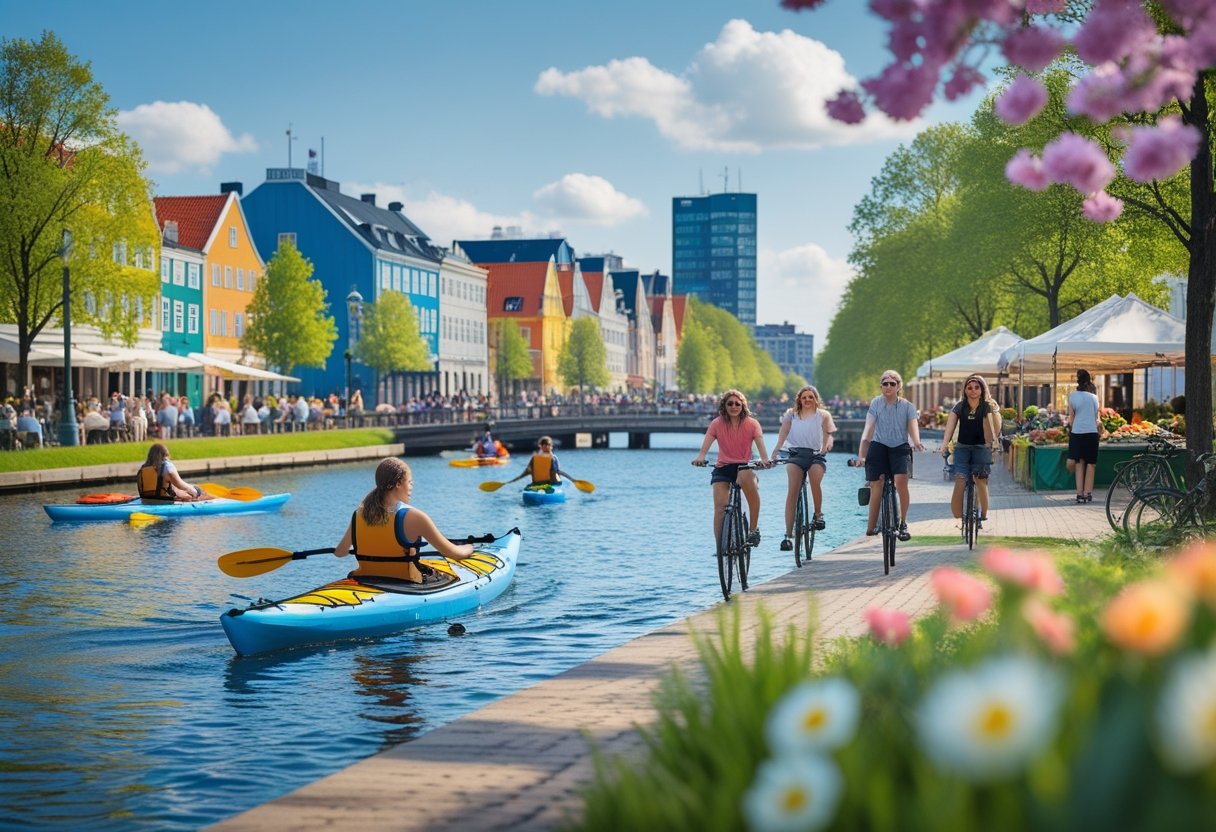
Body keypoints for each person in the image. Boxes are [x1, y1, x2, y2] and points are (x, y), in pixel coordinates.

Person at [335, 457, 476, 583]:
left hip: (366, 577)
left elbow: (340, 552)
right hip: (405, 581)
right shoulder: (415, 517)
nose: (411, 487)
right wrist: (470, 547)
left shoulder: (359, 514)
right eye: (410, 482)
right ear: (398, 484)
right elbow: (452, 553)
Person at [691, 389, 771, 547]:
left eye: (737, 404)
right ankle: (720, 548)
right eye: (730, 403)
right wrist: (701, 456)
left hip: (744, 466)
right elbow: (707, 442)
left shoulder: (752, 424)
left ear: (743, 405)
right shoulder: (717, 423)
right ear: (724, 406)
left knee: (749, 483)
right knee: (720, 507)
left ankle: (753, 530)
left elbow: (761, 444)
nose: (734, 406)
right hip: (723, 467)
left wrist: (764, 459)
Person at [856, 370, 925, 541]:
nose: (888, 386)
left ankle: (903, 522)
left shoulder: (908, 406)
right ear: (881, 386)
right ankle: (871, 526)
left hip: (899, 446)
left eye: (892, 383)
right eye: (885, 383)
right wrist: (862, 453)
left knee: (901, 481)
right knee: (876, 484)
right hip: (879, 445)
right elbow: (869, 429)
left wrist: (916, 441)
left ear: (898, 386)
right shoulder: (876, 403)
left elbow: (913, 426)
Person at [769, 385, 837, 551]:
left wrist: (824, 448)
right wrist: (775, 451)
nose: (807, 400)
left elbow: (828, 435)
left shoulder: (823, 415)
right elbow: (783, 433)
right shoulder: (791, 415)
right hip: (796, 455)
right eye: (804, 397)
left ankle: (818, 515)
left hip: (816, 455)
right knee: (793, 489)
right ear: (799, 399)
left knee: (814, 478)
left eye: (810, 397)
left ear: (815, 399)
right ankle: (787, 535)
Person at [940, 374, 1002, 525]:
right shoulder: (959, 407)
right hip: (962, 448)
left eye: (976, 387)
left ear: (982, 389)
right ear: (965, 390)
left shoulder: (988, 406)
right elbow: (950, 427)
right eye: (969, 388)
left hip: (982, 448)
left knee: (980, 480)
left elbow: (996, 428)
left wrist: (994, 440)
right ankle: (959, 514)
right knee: (961, 479)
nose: (973, 390)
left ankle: (983, 514)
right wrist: (945, 443)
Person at [1067, 368, 1101, 503]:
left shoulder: (1072, 396)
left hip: (1076, 433)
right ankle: (1088, 493)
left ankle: (1079, 494)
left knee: (1079, 463)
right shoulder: (1094, 398)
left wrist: (1072, 426)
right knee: (1091, 464)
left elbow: (1071, 418)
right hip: (1091, 433)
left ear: (1078, 381)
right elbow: (1096, 417)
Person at [136, 442, 212, 501]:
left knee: (178, 490)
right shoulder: (167, 466)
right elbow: (182, 485)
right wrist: (196, 492)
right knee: (199, 491)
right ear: (165, 455)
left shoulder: (143, 468)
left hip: (146, 500)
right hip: (164, 501)